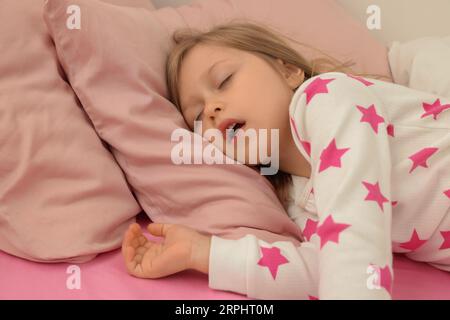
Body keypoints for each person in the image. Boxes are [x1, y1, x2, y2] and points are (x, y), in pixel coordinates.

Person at [122, 22, 450, 299]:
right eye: (197, 116)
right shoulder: (296, 199)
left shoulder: (327, 96)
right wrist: (204, 253)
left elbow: (356, 234)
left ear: (289, 71)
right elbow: (325, 266)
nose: (211, 109)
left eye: (223, 81)